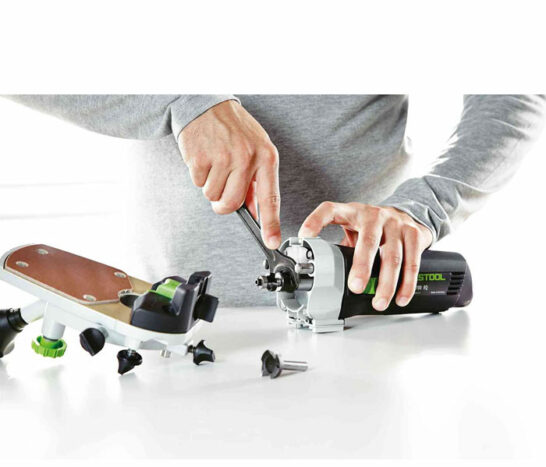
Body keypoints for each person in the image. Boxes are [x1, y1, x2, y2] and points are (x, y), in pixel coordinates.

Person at [6, 95, 545, 309]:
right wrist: (183, 100)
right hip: (164, 312)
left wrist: (423, 206)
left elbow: (511, 90)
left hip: (367, 311)